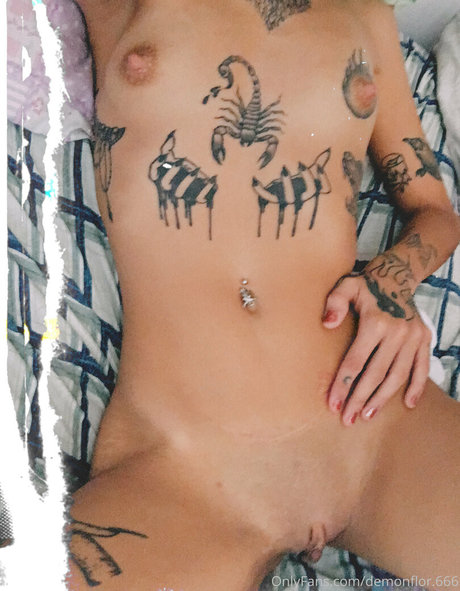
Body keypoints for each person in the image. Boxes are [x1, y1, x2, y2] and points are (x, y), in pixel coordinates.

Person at [66, 0, 460, 589]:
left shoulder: (365, 15)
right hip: (182, 462)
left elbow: (435, 211)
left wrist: (392, 282)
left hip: (369, 426)